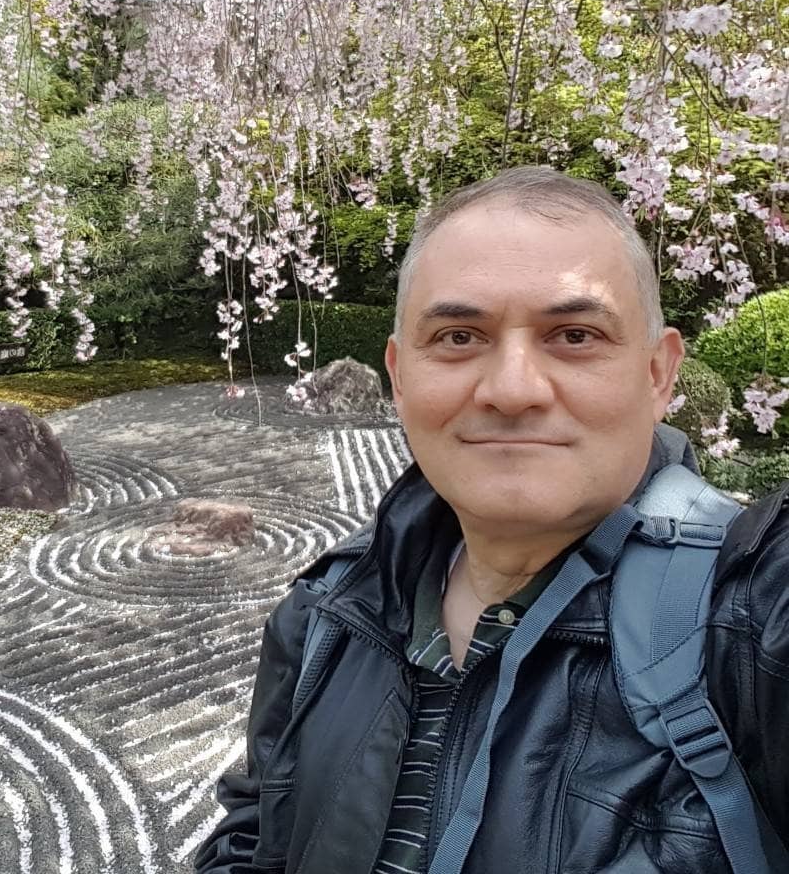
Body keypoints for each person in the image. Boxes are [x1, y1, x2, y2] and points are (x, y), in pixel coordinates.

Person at [194, 166, 789, 874]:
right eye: (457, 337)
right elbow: (259, 829)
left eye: (574, 336)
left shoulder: (751, 614)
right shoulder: (328, 608)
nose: (511, 390)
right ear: (400, 375)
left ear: (659, 375)